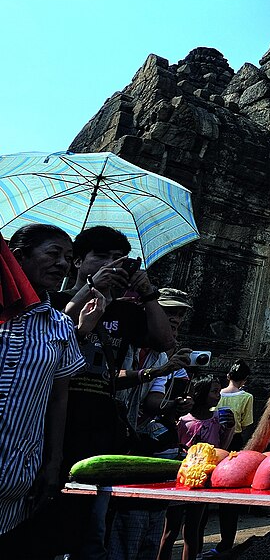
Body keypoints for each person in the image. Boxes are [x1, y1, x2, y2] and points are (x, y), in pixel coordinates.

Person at [59, 225, 176, 560]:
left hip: (101, 427)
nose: (111, 265)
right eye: (101, 257)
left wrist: (148, 294)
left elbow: (166, 342)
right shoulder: (55, 300)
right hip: (56, 417)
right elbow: (56, 338)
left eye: (118, 259)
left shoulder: (125, 312)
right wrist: (91, 291)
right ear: (78, 261)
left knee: (94, 528)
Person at [0, 226, 85, 559]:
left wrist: (53, 463)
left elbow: (59, 398)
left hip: (18, 473)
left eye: (67, 257)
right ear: (19, 255)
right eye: (53, 253)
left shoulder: (60, 325)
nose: (63, 264)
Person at [108, 289, 195, 560]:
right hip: (103, 433)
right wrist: (157, 372)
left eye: (179, 316)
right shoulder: (121, 341)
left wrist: (177, 406)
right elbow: (109, 378)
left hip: (133, 441)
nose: (175, 320)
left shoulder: (159, 355)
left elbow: (152, 403)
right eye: (169, 312)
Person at [158, 376, 233, 560]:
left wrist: (230, 428)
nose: (218, 396)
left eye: (219, 391)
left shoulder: (218, 420)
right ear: (200, 393)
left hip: (203, 480)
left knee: (193, 529)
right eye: (214, 391)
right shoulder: (183, 421)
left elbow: (223, 448)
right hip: (182, 479)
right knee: (170, 530)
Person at [209, 360, 254, 556]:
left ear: (228, 376)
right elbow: (245, 425)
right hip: (234, 443)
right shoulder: (247, 397)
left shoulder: (215, 394)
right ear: (244, 380)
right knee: (230, 494)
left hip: (211, 439)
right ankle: (226, 543)